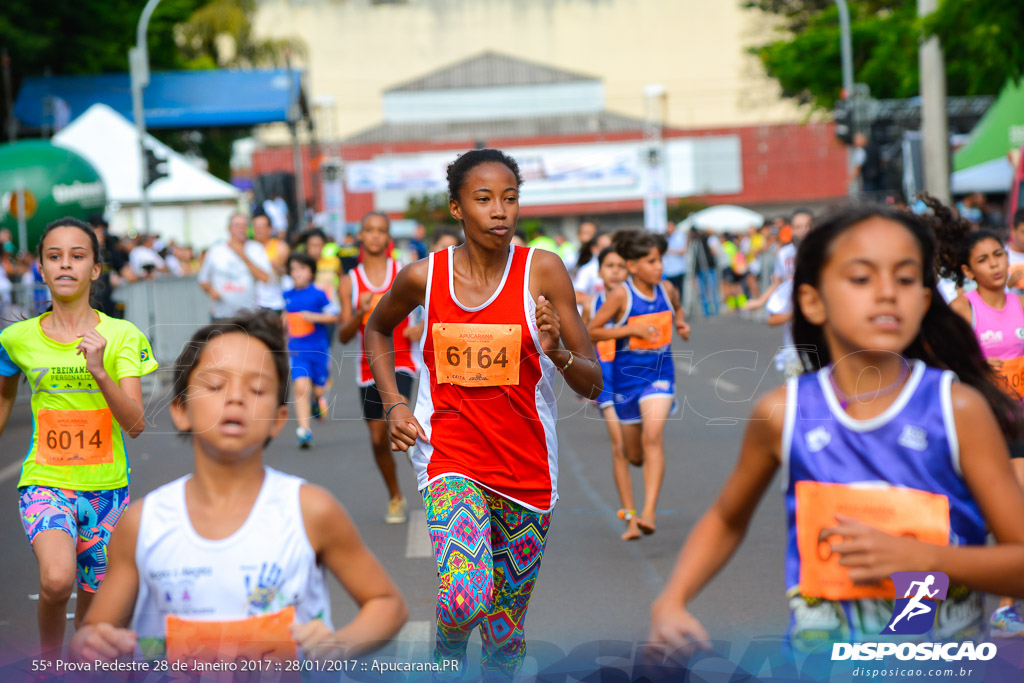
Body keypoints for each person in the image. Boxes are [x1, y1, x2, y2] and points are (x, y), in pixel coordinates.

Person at [649, 202, 1024, 656]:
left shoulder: (957, 408)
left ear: (924, 300)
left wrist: (928, 560)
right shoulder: (783, 414)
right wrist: (672, 600)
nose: (887, 293)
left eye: (905, 278)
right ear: (811, 299)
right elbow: (727, 518)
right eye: (862, 278)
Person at [363, 148, 602, 680]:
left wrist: (557, 349)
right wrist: (395, 401)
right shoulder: (425, 277)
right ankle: (447, 647)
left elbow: (592, 381)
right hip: (451, 456)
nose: (500, 211)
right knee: (466, 598)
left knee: (504, 632)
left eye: (510, 198)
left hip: (528, 471)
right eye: (484, 199)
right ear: (456, 209)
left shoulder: (543, 271)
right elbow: (376, 328)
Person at [69, 312, 407, 664]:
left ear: (278, 419)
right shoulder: (143, 523)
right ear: (180, 410)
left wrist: (339, 644)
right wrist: (93, 643)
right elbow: (94, 630)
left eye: (257, 389)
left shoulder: (309, 510)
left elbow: (387, 604)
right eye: (215, 385)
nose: (236, 399)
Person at [0, 217, 157, 656]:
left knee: (94, 612)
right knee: (56, 579)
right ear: (41, 270)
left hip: (106, 490)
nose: (65, 265)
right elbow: (2, 399)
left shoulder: (122, 336)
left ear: (95, 269)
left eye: (77, 255)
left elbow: (136, 423)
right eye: (54, 256)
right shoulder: (15, 340)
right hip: (45, 481)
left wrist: (100, 371)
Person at [935, 201, 1024, 637]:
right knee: (986, 516)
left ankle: (1006, 608)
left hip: (1021, 419)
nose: (995, 265)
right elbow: (945, 366)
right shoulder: (963, 310)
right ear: (968, 271)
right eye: (984, 260)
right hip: (983, 422)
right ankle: (943, 573)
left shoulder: (1022, 303)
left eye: (999, 256)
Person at [588, 229, 690, 536]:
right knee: (633, 454)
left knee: (653, 436)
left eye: (660, 260)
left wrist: (681, 324)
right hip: (624, 382)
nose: (659, 267)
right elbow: (592, 330)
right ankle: (631, 510)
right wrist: (632, 331)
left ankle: (647, 512)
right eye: (651, 261)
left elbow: (678, 310)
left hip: (660, 377)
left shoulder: (667, 288)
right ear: (633, 266)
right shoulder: (622, 295)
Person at [338, 212, 418, 524]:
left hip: (404, 362)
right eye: (368, 230)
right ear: (360, 235)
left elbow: (430, 311)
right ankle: (396, 496)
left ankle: (439, 491)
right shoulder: (350, 282)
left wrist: (420, 327)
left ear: (388, 237)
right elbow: (343, 335)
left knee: (399, 422)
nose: (374, 236)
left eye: (380, 231)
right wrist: (359, 313)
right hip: (367, 366)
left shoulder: (405, 273)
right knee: (377, 439)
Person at [581, 246, 637, 540]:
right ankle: (630, 516)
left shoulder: (635, 301)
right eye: (610, 266)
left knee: (635, 450)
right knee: (619, 446)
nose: (615, 271)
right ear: (600, 272)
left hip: (634, 379)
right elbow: (585, 342)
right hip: (606, 381)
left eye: (621, 266)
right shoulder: (594, 304)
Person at [284, 253, 339, 448]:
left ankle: (317, 400)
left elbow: (334, 316)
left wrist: (313, 317)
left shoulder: (318, 294)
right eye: (293, 269)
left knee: (318, 389)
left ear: (310, 272)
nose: (297, 273)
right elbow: (283, 321)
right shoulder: (286, 296)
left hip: (319, 350)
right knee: (300, 388)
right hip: (297, 350)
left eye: (301, 268)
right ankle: (304, 431)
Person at [197, 213, 273, 321]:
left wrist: (242, 255)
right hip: (222, 316)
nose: (241, 229)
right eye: (237, 225)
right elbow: (203, 280)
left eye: (244, 225)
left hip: (249, 316)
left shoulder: (256, 249)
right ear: (229, 228)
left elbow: (265, 278)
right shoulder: (216, 250)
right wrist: (211, 291)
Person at [253, 210, 288, 313]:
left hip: (275, 302)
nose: (258, 230)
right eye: (256, 226)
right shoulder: (249, 248)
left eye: (261, 227)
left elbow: (288, 273)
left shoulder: (280, 247)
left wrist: (279, 268)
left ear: (270, 229)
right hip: (254, 303)